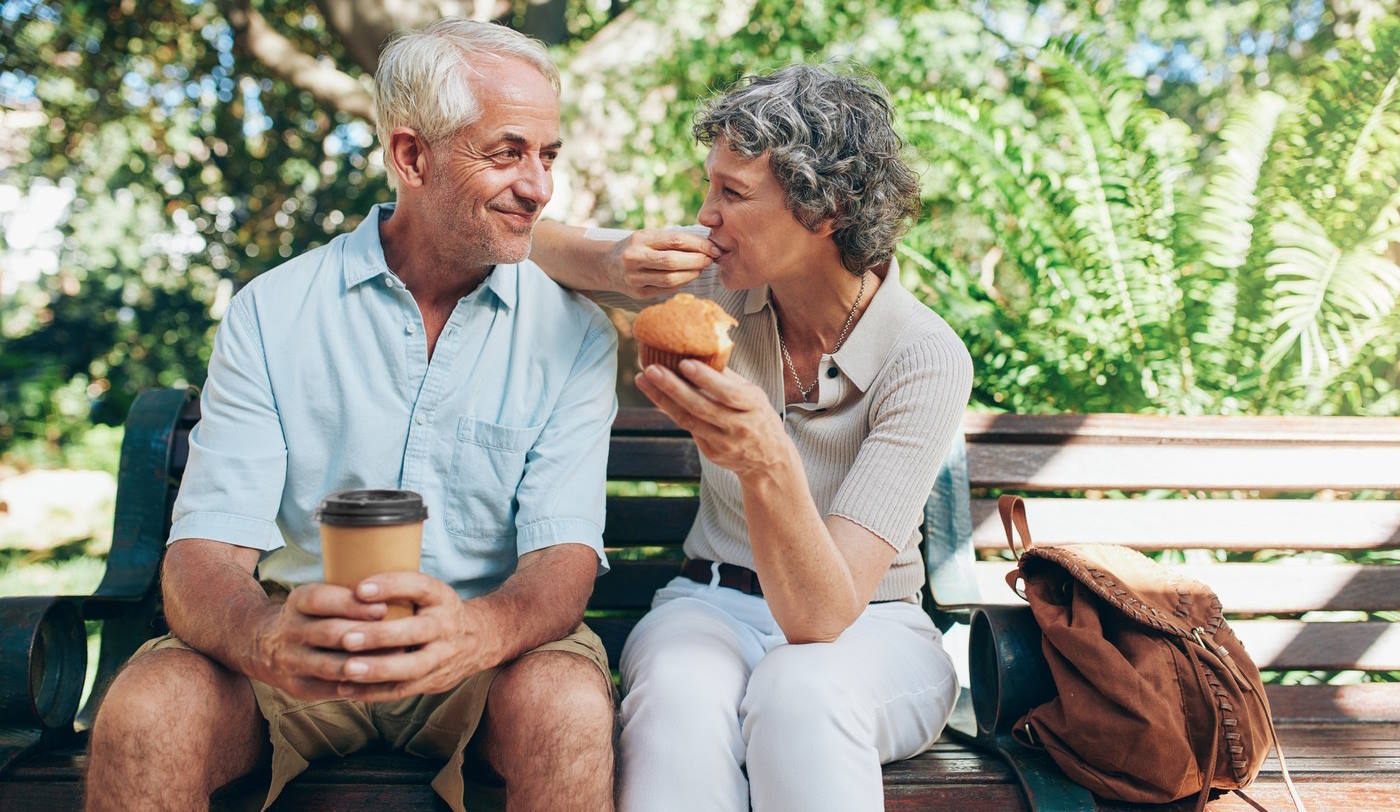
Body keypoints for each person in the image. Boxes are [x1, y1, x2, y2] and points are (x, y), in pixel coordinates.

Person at [84, 19, 618, 812]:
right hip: (294, 645)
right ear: (412, 157)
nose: (539, 187)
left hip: (486, 656)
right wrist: (266, 637)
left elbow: (560, 562)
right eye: (507, 152)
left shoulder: (574, 333)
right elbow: (204, 555)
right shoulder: (273, 311)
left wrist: (474, 633)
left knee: (567, 704)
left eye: (547, 156)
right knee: (147, 710)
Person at [530, 63, 974, 811]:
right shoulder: (710, 286)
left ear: (826, 207)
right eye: (711, 185)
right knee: (678, 699)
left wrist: (767, 459)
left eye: (732, 194)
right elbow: (526, 242)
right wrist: (612, 259)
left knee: (801, 691)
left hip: (874, 631)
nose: (705, 214)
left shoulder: (923, 356)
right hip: (709, 605)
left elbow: (821, 617)